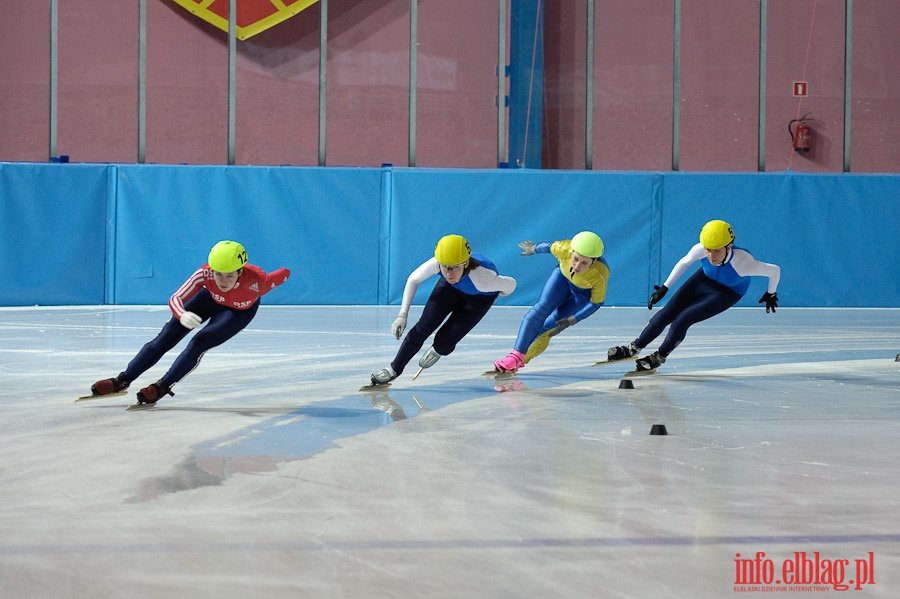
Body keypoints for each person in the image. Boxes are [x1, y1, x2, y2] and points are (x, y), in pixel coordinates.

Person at [89, 240, 290, 406]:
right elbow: (175, 298)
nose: (223, 280)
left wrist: (287, 272)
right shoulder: (204, 273)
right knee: (164, 340)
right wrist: (182, 314)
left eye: (229, 275)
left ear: (240, 271)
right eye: (218, 273)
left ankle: (163, 386)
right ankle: (123, 380)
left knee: (198, 344)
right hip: (207, 300)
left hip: (236, 313)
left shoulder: (259, 281)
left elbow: (283, 274)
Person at [607, 219, 780, 371]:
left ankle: (660, 356)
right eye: (708, 250)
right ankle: (633, 348)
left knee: (682, 320)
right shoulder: (700, 249)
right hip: (704, 280)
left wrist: (771, 293)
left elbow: (775, 271)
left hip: (728, 292)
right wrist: (664, 288)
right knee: (665, 314)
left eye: (717, 251)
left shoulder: (744, 263)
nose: (711, 256)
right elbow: (684, 264)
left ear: (729, 247)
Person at [369, 234, 516, 386]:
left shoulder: (484, 279)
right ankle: (394, 369)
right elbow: (413, 280)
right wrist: (402, 315)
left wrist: (501, 290)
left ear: (466, 263)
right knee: (422, 327)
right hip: (450, 288)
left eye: (455, 268)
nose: (449, 273)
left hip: (479, 298)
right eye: (445, 267)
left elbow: (512, 284)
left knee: (444, 342)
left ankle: (439, 349)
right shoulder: (438, 264)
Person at [493, 231, 609, 373]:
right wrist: (533, 248)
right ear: (571, 252)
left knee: (549, 327)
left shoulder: (600, 274)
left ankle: (521, 361)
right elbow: (549, 246)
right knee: (540, 309)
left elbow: (596, 302)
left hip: (581, 295)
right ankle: (515, 356)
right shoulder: (564, 248)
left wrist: (573, 319)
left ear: (594, 261)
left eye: (585, 263)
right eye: (575, 258)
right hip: (562, 279)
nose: (577, 266)